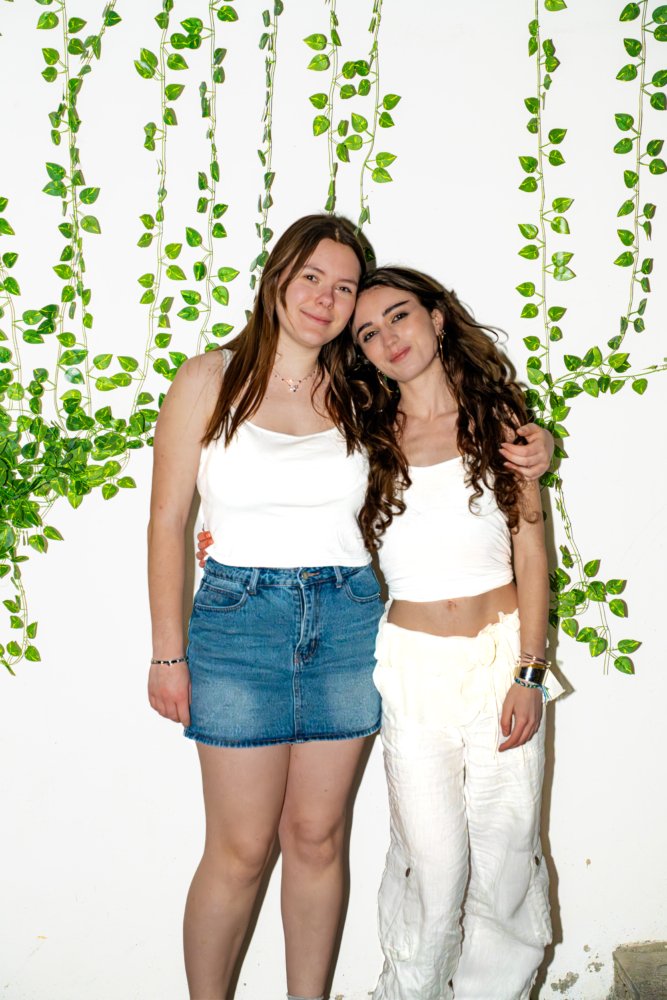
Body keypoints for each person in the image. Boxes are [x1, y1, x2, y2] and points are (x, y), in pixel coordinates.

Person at [149, 213, 554, 1000]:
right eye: (312, 278)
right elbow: (168, 522)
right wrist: (168, 651)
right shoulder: (209, 379)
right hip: (239, 625)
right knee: (239, 850)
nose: (325, 299)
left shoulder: (357, 393)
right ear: (276, 278)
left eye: (343, 288)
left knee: (316, 837)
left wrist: (533, 448)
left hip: (345, 620)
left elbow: (434, 480)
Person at [349, 265, 564, 1000]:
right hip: (412, 671)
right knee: (431, 867)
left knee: (505, 856)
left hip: (501, 660)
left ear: (436, 319)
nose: (388, 338)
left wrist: (529, 672)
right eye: (367, 333)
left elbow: (531, 550)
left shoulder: (500, 424)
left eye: (399, 316)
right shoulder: (362, 441)